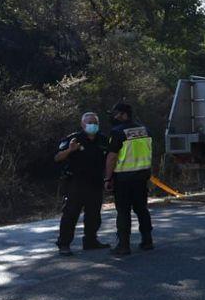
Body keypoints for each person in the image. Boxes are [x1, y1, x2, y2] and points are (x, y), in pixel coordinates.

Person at [54, 112, 112, 256]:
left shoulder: (104, 140)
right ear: (82, 124)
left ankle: (91, 241)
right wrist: (70, 150)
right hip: (76, 183)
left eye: (95, 122)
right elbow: (57, 158)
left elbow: (111, 158)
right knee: (70, 214)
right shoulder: (73, 139)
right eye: (89, 122)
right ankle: (64, 244)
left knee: (94, 215)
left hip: (96, 182)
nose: (92, 125)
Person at [104, 102, 154, 255]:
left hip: (124, 178)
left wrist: (108, 178)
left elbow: (112, 157)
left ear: (123, 114)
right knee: (142, 209)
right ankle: (147, 241)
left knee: (123, 211)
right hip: (142, 176)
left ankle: (124, 245)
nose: (114, 117)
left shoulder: (118, 131)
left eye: (116, 114)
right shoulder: (145, 129)